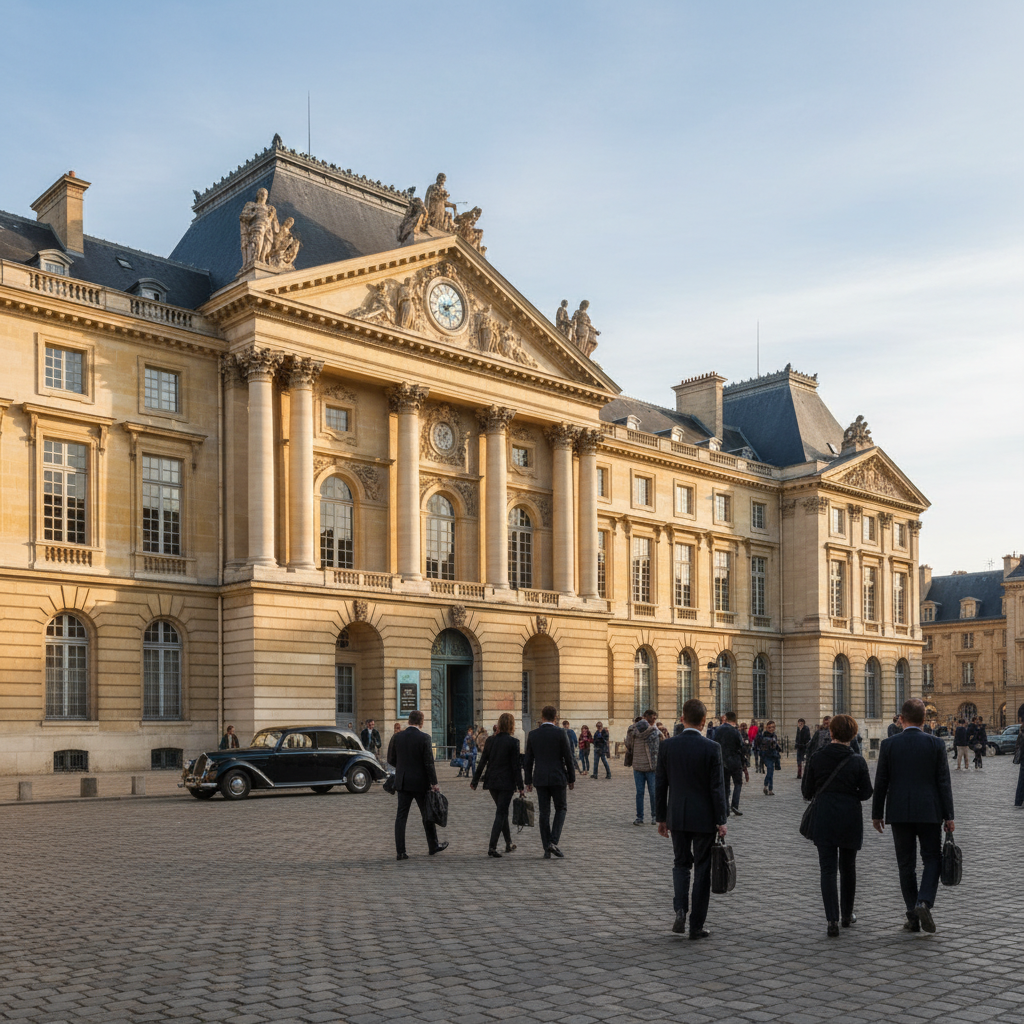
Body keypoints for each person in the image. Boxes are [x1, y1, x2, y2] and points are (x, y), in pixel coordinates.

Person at [871, 698, 955, 933]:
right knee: (932, 859)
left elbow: (881, 782)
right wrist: (949, 816)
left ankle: (912, 915)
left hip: (899, 812)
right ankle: (924, 901)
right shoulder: (936, 744)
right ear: (925, 720)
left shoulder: (889, 744)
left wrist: (877, 814)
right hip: (930, 811)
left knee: (905, 865)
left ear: (901, 719)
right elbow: (943, 783)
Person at [655, 697, 728, 940]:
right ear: (704, 722)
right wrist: (721, 819)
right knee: (703, 869)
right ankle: (696, 925)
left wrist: (661, 817)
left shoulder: (668, 746)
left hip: (677, 815)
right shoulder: (711, 748)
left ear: (682, 718)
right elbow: (717, 788)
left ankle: (680, 909)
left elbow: (660, 785)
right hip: (704, 818)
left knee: (680, 863)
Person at [801, 714, 873, 937]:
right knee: (848, 867)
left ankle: (831, 919)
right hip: (849, 817)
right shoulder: (857, 761)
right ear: (853, 735)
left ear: (830, 733)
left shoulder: (817, 757)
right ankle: (846, 915)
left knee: (828, 869)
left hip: (824, 816)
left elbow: (806, 791)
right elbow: (867, 793)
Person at [391, 710, 448, 860]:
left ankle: (401, 852)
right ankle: (433, 845)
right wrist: (434, 783)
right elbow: (429, 763)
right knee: (427, 815)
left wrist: (403, 767)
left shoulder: (397, 737)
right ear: (421, 722)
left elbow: (391, 759)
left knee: (401, 817)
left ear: (409, 721)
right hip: (420, 783)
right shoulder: (424, 738)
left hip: (402, 781)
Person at [525, 704, 576, 858]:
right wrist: (571, 778)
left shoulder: (533, 734)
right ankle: (553, 841)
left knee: (544, 813)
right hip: (557, 777)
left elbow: (528, 760)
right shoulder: (561, 733)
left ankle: (547, 846)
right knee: (561, 808)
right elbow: (568, 757)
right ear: (556, 717)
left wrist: (528, 780)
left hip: (540, 778)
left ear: (542, 716)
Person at [471, 712, 525, 857]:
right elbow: (515, 767)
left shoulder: (490, 741)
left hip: (492, 782)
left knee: (502, 812)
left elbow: (482, 762)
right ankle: (492, 847)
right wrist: (521, 786)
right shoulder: (513, 742)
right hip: (506, 783)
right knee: (501, 812)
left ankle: (508, 843)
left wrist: (475, 781)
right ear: (512, 725)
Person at [626, 708, 661, 825]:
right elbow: (662, 745)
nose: (655, 720)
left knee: (639, 793)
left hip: (637, 766)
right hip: (651, 767)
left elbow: (628, 745)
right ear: (648, 718)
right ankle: (654, 816)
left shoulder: (632, 730)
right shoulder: (655, 732)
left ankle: (640, 817)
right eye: (654, 718)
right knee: (653, 792)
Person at [715, 711, 747, 816]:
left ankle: (725, 808)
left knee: (725, 785)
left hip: (722, 761)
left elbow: (714, 745)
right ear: (735, 719)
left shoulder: (718, 730)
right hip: (735, 761)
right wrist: (744, 763)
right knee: (738, 783)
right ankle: (735, 805)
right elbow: (741, 747)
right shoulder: (735, 731)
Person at [757, 720, 782, 796]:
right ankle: (769, 788)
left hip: (773, 755)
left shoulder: (774, 735)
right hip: (766, 756)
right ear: (766, 727)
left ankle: (767, 787)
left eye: (773, 727)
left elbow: (775, 745)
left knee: (770, 772)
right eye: (769, 727)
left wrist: (778, 748)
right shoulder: (763, 735)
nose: (771, 729)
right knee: (770, 769)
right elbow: (759, 744)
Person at [1014, 715, 1024, 808]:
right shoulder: (1022, 732)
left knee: (1021, 781)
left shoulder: (1021, 731)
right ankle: (1018, 801)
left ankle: (1018, 801)